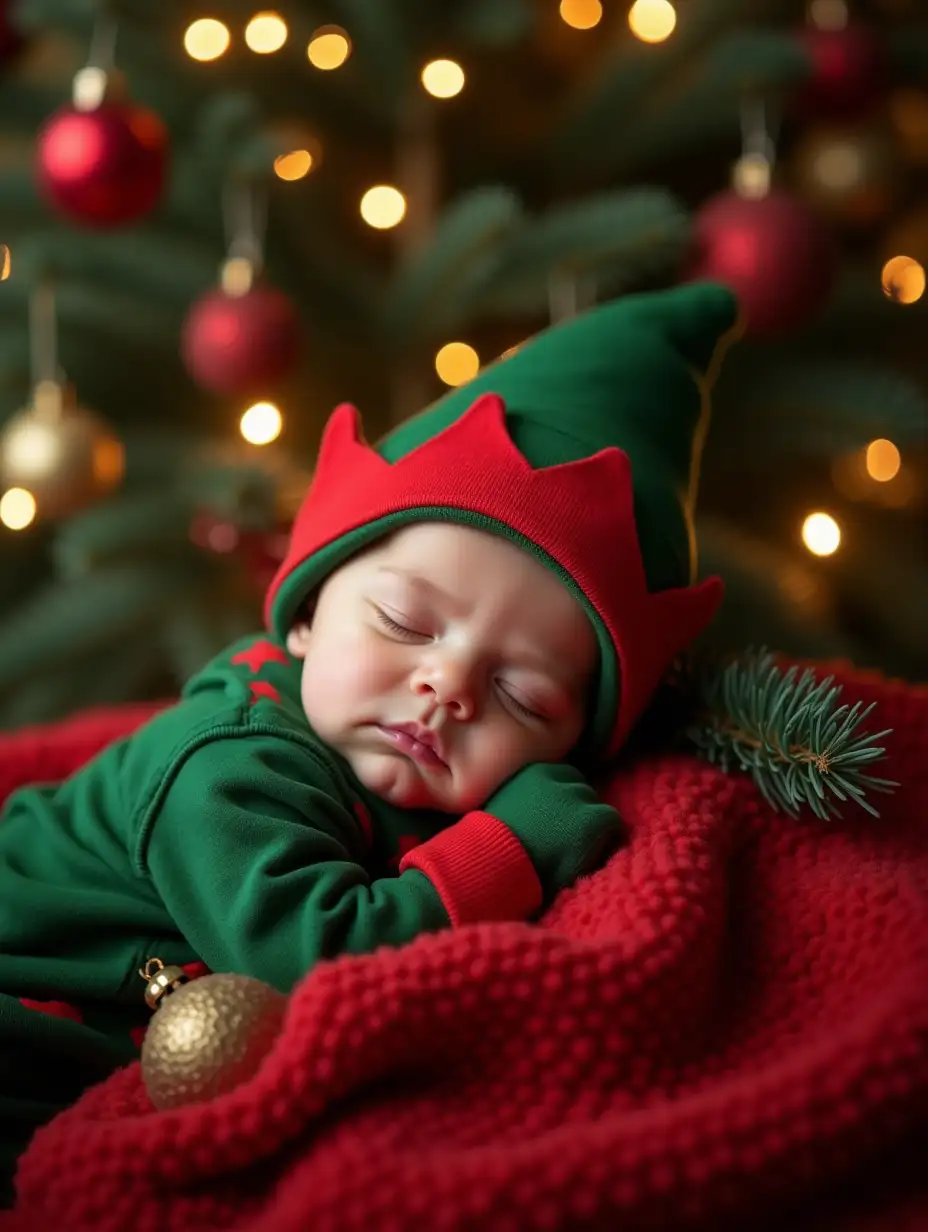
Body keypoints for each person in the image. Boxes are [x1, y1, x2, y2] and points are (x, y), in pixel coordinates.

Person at [0, 280, 740, 1202]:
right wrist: (511, 848)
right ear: (305, 614)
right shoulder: (228, 764)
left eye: (520, 693)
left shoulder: (407, 766)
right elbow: (313, 965)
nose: (450, 687)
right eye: (403, 622)